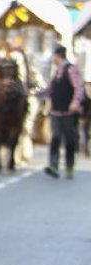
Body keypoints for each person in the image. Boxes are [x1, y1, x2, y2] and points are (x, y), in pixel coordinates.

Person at [36, 45, 84, 179]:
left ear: (57, 56)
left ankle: (69, 166)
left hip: (68, 112)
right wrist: (38, 93)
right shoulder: (57, 71)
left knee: (69, 140)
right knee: (55, 138)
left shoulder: (71, 69)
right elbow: (50, 88)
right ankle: (54, 165)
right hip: (56, 111)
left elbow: (79, 87)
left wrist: (75, 102)